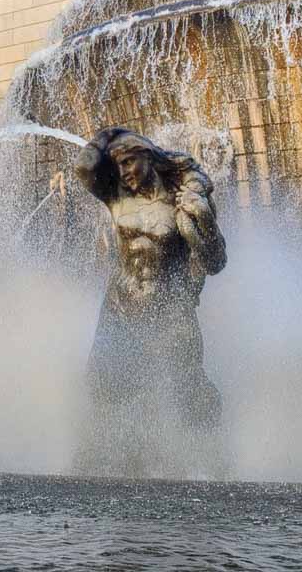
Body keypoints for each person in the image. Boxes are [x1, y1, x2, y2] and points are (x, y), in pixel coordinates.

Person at [74, 126, 227, 432]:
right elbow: (84, 165)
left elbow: (216, 262)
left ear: (148, 156)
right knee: (103, 387)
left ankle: (206, 460)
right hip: (120, 307)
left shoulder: (183, 202)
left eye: (129, 161)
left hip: (169, 310)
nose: (123, 171)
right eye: (118, 165)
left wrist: (205, 220)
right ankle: (118, 460)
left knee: (190, 395)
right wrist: (112, 133)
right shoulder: (116, 197)